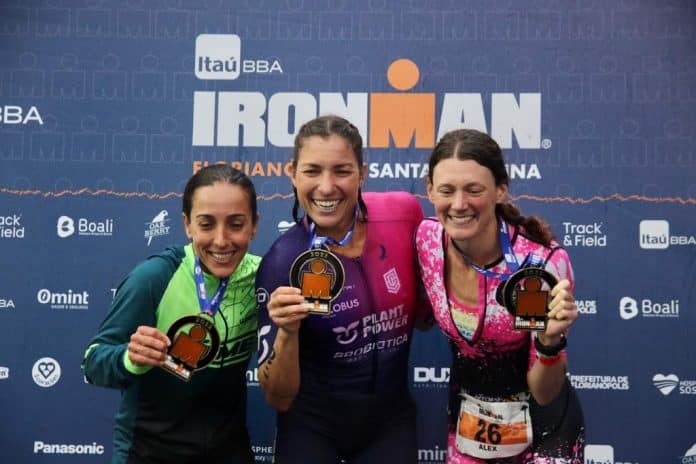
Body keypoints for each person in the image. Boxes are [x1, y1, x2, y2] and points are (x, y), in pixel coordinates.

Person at [256, 115, 431, 463]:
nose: (326, 187)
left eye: (342, 171)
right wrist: (287, 332)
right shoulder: (282, 262)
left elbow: (425, 318)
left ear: (362, 174)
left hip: (390, 424)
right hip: (311, 428)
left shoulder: (403, 213)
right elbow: (277, 398)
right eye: (312, 171)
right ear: (292, 173)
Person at [415, 129, 585, 463]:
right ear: (430, 190)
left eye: (474, 190)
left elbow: (545, 392)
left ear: (500, 190)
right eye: (447, 190)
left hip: (545, 433)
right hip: (467, 425)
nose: (459, 204)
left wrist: (549, 342)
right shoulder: (427, 240)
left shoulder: (538, 264)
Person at [81, 164, 260, 464]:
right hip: (149, 451)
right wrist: (130, 358)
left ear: (254, 225)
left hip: (229, 451)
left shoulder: (264, 279)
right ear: (187, 225)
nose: (221, 240)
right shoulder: (155, 278)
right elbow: (92, 362)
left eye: (236, 224)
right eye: (206, 224)